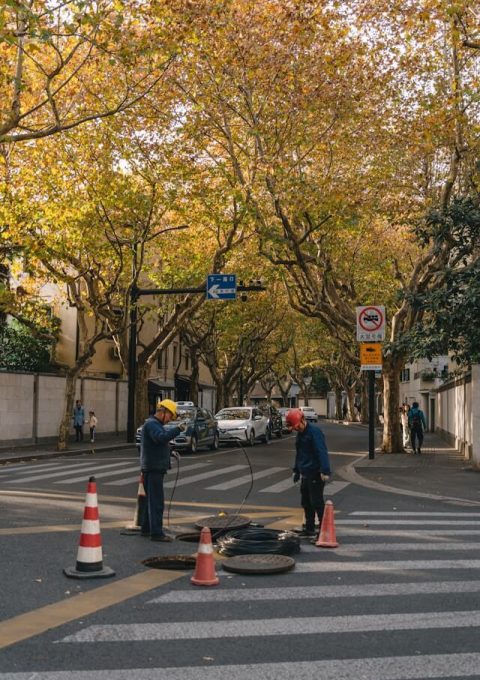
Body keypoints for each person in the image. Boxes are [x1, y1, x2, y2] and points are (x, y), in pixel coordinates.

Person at [140, 399, 187, 542]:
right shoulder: (152, 424)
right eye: (170, 416)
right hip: (154, 468)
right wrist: (178, 429)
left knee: (150, 500)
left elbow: (158, 444)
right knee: (156, 501)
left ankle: (147, 528)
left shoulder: (153, 424)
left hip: (151, 466)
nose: (169, 420)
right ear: (163, 412)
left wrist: (170, 452)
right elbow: (160, 438)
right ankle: (157, 533)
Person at [287, 408, 332, 538]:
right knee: (306, 502)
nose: (297, 429)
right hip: (305, 473)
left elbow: (321, 452)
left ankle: (325, 532)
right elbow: (299, 454)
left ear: (302, 420)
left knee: (316, 502)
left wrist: (324, 470)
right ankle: (310, 528)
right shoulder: (300, 434)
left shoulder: (314, 433)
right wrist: (296, 471)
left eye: (297, 426)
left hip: (316, 473)